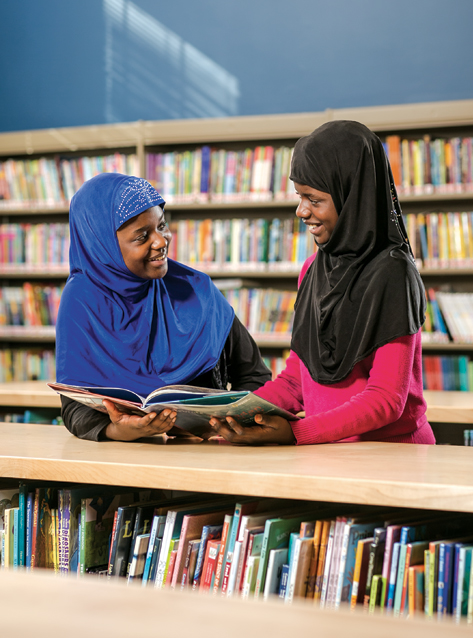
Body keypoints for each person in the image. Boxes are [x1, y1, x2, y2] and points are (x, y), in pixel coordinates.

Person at [209, 120, 435, 446]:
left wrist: (295, 433)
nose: (301, 211)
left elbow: (387, 399)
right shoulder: (312, 270)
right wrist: (230, 415)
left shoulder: (393, 273)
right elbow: (294, 381)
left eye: (314, 200)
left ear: (351, 197)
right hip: (325, 453)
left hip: (389, 457)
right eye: (300, 197)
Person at [56, 173, 271, 442]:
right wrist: (119, 430)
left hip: (207, 456)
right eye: (142, 236)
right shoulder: (80, 301)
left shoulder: (197, 289)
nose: (161, 241)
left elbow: (255, 376)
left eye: (162, 225)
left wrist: (229, 424)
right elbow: (75, 407)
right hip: (124, 461)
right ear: (103, 247)